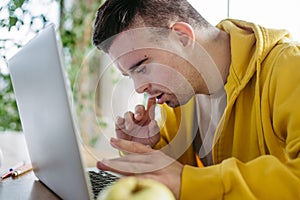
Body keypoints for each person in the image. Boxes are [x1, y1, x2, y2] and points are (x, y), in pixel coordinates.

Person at [92, 0, 300, 199]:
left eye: (142, 67)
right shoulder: (180, 93)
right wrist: (147, 152)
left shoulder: (290, 67)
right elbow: (183, 184)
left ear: (182, 37)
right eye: (130, 76)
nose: (139, 87)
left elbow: (192, 182)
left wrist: (187, 181)